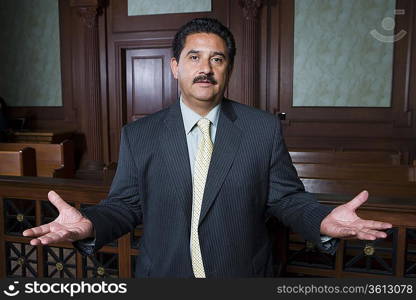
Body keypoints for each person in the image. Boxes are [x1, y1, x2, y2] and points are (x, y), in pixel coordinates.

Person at [23, 18, 392, 278]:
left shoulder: (261, 129)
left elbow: (286, 199)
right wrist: (88, 224)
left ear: (228, 69)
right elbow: (126, 205)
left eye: (217, 59)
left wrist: (323, 220)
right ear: (174, 67)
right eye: (194, 57)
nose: (206, 68)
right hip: (164, 277)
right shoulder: (140, 134)